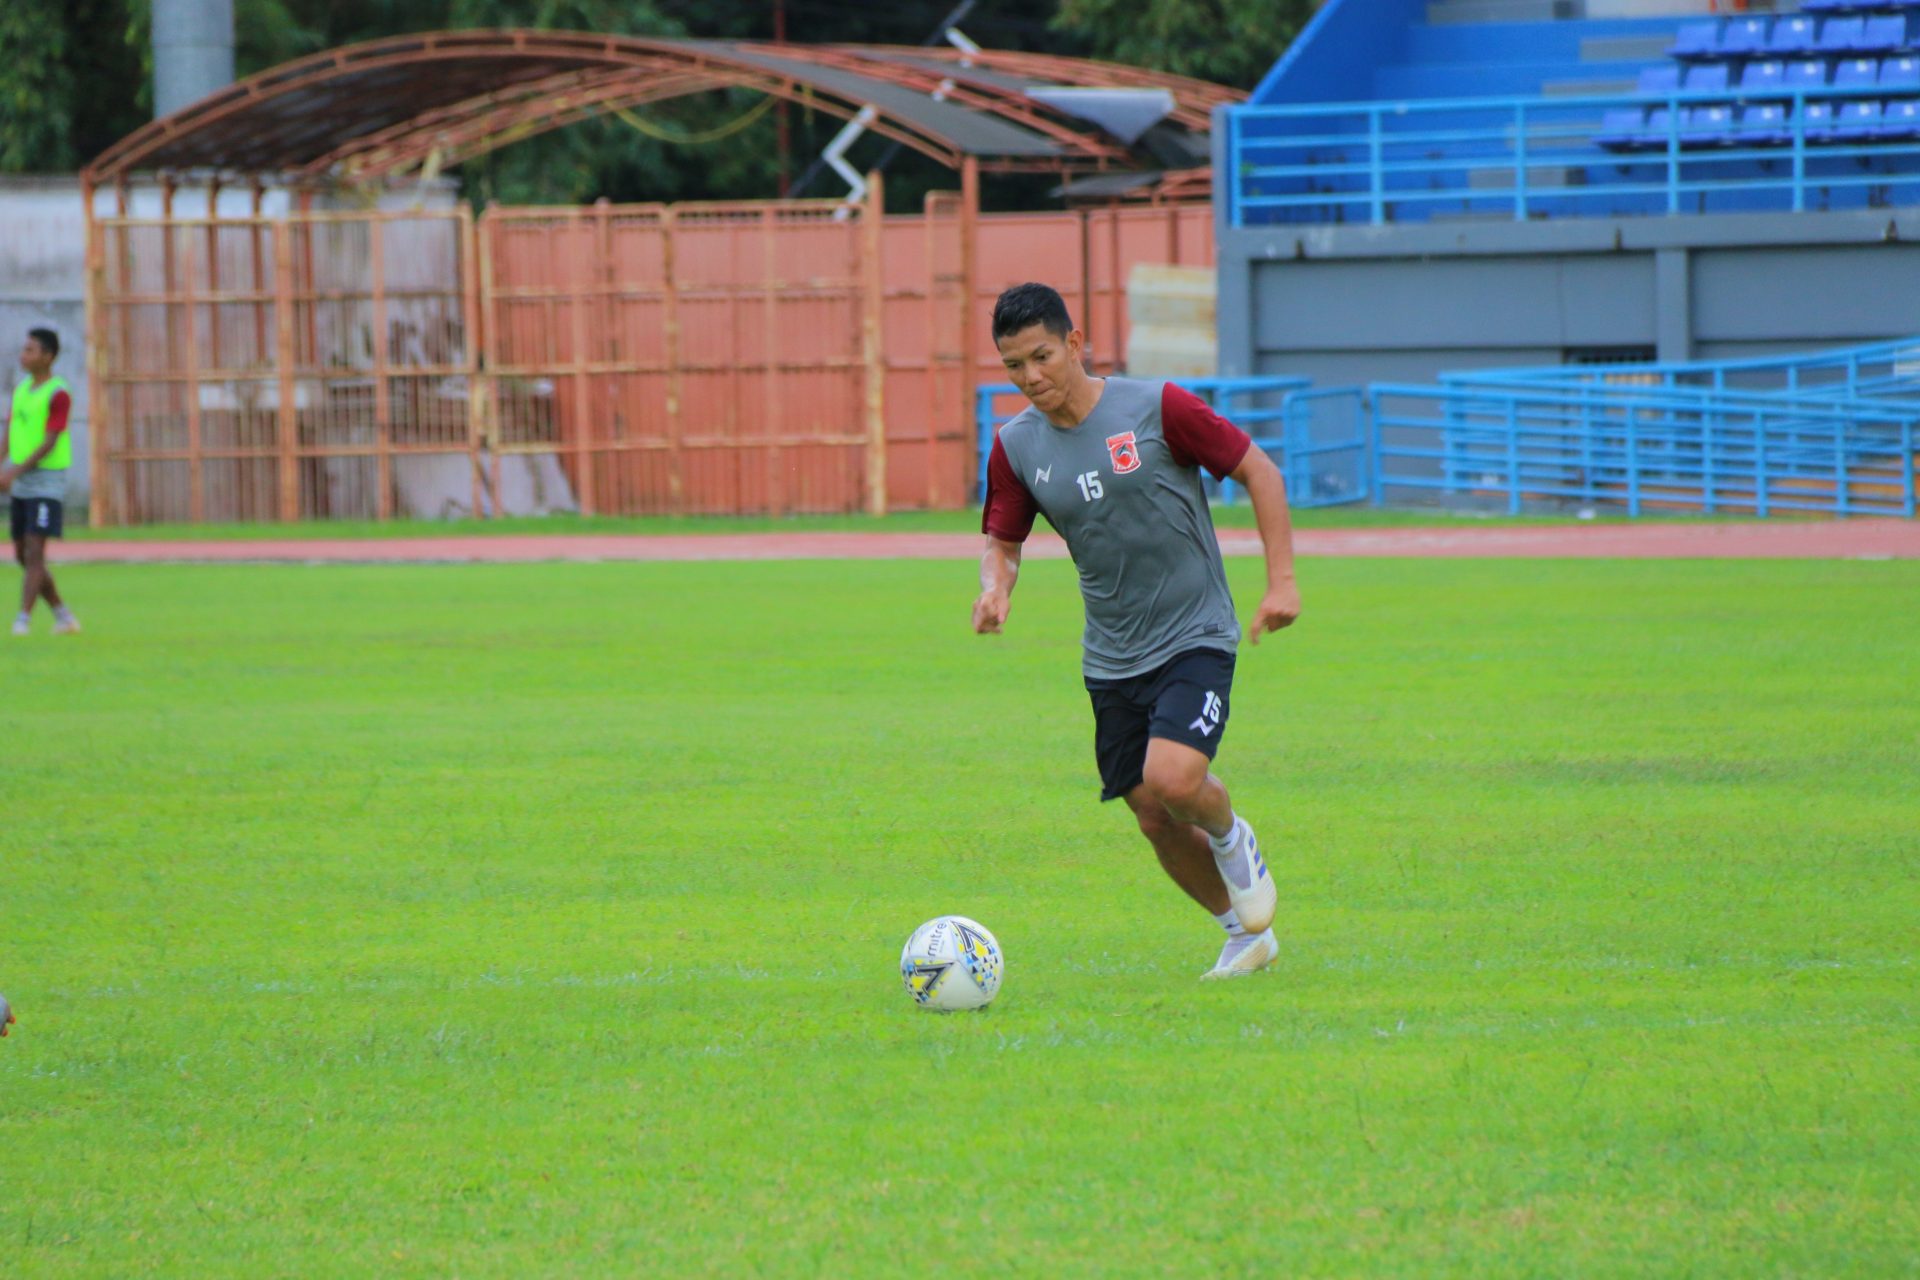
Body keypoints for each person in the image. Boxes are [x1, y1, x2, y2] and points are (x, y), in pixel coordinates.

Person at [972, 283, 1301, 981]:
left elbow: (1258, 470)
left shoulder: (1157, 408)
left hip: (1195, 632)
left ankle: (1231, 832)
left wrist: (1282, 582)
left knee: (1175, 779)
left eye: (1041, 357)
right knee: (1151, 814)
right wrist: (994, 589)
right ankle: (1241, 935)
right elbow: (1003, 540)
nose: (1031, 378)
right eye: (1013, 367)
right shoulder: (1016, 447)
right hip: (1112, 657)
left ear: (1074, 344)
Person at [2, 328, 81, 636]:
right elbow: (10, 433)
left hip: (46, 483)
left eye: (30, 350)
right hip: (22, 481)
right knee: (22, 553)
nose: (24, 355)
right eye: (24, 350)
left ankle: (22, 619)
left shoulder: (58, 393)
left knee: (35, 551)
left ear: (48, 357)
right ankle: (63, 615)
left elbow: (50, 442)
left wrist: (12, 472)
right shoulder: (21, 389)